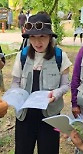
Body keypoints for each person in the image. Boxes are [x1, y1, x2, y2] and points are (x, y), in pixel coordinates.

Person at [11, 12, 72, 154]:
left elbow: (65, 85)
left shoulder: (60, 56)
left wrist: (55, 94)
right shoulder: (22, 56)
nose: (37, 42)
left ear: (50, 36)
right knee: (22, 150)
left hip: (50, 116)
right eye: (33, 37)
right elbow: (15, 82)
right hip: (25, 116)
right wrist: (17, 95)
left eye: (42, 37)